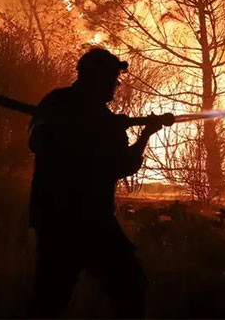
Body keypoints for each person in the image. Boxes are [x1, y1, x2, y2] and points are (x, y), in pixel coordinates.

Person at [27, 47, 164, 318]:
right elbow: (124, 166)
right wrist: (135, 134)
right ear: (95, 78)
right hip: (86, 220)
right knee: (128, 285)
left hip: (55, 216)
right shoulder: (86, 116)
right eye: (112, 79)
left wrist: (140, 132)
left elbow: (36, 142)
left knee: (51, 297)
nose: (115, 86)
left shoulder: (57, 103)